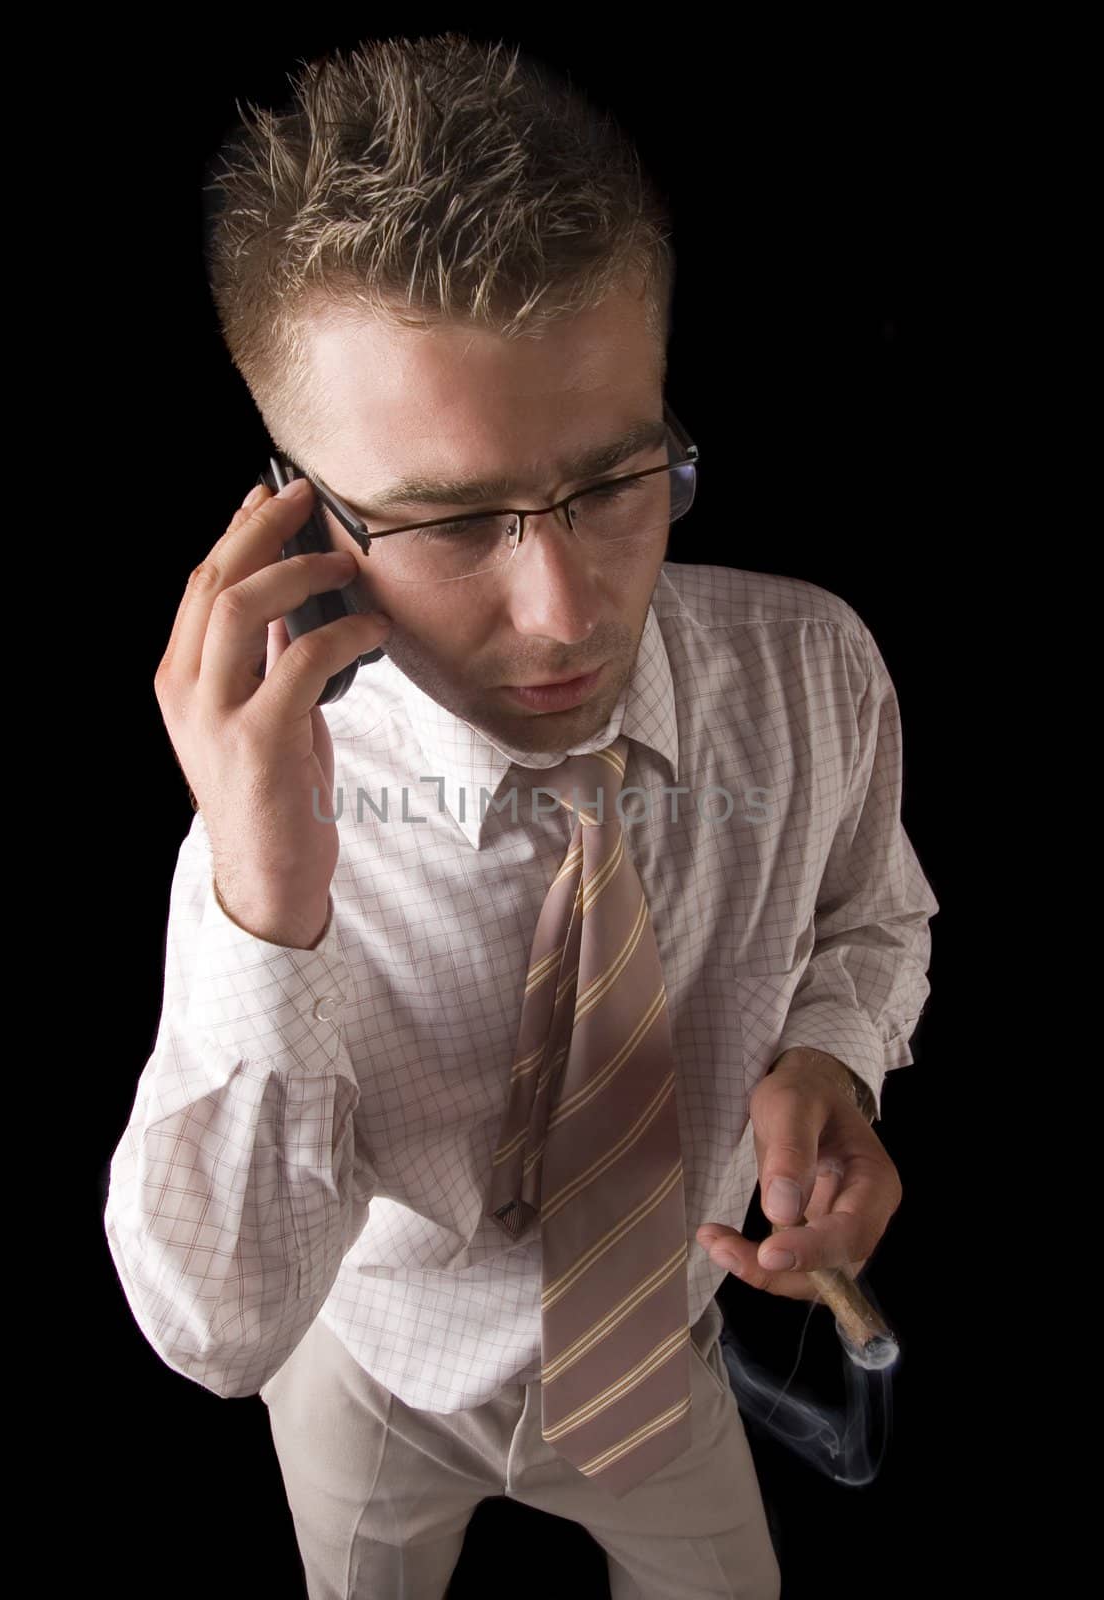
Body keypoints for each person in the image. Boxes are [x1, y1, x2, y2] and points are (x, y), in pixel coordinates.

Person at [104, 33, 938, 1600]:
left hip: (658, 1352)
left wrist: (833, 1054)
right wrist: (264, 901)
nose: (562, 615)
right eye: (450, 520)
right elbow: (218, 1333)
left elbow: (873, 913)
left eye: (617, 481)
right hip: (377, 1375)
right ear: (297, 517)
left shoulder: (817, 671)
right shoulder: (260, 829)